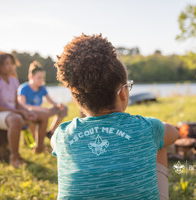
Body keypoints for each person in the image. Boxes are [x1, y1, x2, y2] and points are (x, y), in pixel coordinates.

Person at [51, 33, 179, 199]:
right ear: (122, 93)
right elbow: (174, 133)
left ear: (77, 98)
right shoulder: (149, 128)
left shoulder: (63, 135)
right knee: (159, 143)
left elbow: (53, 142)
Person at [0, 52, 48, 168]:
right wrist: (20, 112)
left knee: (43, 115)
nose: (11, 66)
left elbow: (16, 103)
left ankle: (39, 148)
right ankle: (15, 156)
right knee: (16, 119)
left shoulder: (13, 80)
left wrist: (27, 112)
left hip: (11, 112)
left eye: (11, 63)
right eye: (6, 64)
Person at [17, 61, 68, 138]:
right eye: (39, 78)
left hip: (42, 111)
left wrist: (57, 105)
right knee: (31, 136)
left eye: (43, 78)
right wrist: (40, 109)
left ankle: (50, 132)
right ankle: (35, 139)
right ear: (31, 77)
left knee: (63, 108)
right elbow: (23, 106)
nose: (42, 80)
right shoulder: (23, 88)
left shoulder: (42, 88)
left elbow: (51, 101)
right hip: (28, 114)